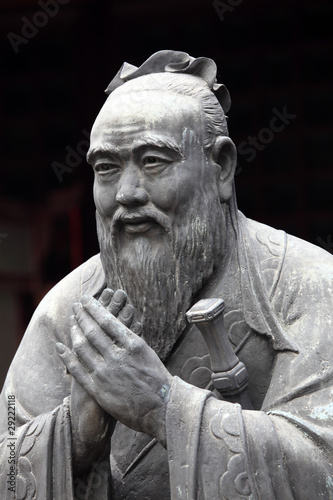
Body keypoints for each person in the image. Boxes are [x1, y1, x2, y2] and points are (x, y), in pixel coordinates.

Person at [1, 50, 333, 499]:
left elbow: (322, 464)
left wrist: (164, 407)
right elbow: (4, 465)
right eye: (106, 168)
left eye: (154, 161)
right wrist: (73, 436)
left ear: (222, 167)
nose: (127, 193)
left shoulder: (308, 285)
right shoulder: (66, 310)